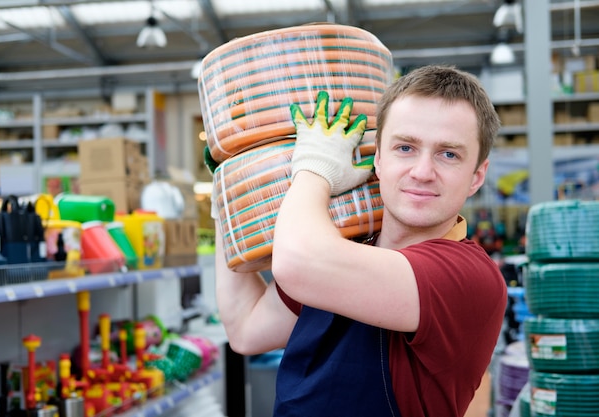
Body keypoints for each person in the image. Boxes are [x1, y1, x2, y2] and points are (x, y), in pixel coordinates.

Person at [213, 64, 507, 416]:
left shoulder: (468, 276)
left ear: (477, 176)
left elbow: (297, 264)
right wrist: (225, 201)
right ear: (378, 160)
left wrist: (314, 168)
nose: (422, 172)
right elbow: (246, 329)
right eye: (405, 148)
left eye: (449, 154)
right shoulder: (345, 247)